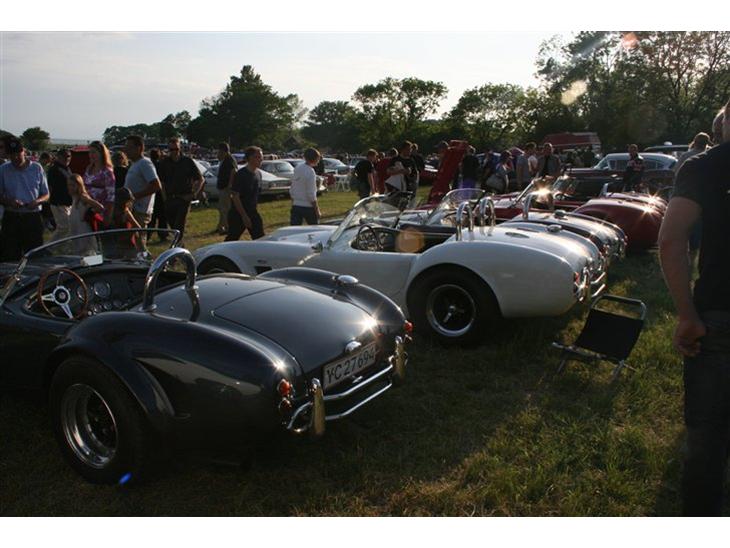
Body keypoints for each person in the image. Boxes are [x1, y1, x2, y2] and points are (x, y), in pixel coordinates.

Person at [658, 100, 730, 516]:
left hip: (719, 313)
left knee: (707, 438)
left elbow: (671, 240)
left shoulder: (704, 167)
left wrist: (686, 315)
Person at [0, 137, 50, 260]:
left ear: (24, 151)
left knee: (35, 255)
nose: (16, 158)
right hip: (11, 217)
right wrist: (9, 202)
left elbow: (46, 194)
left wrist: (37, 201)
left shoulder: (37, 168)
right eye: (12, 155)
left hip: (32, 217)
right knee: (10, 255)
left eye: (18, 154)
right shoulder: (3, 169)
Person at [157, 137, 203, 246]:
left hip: (183, 199)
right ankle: (181, 247)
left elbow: (200, 179)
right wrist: (164, 198)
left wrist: (193, 194)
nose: (174, 152)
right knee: (174, 228)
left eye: (176, 149)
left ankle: (176, 250)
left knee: (179, 226)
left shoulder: (187, 161)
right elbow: (161, 182)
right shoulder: (165, 163)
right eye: (171, 150)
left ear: (180, 148)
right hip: (170, 199)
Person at [123, 135, 162, 242]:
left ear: (139, 148)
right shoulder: (134, 164)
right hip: (132, 210)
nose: (126, 150)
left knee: (139, 242)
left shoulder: (145, 163)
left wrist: (133, 197)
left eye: (129, 147)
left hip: (140, 211)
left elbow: (156, 185)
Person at [226, 146, 265, 241]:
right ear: (250, 158)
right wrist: (244, 216)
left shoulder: (258, 174)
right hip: (238, 214)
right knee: (232, 239)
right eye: (258, 157)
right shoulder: (241, 174)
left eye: (261, 157)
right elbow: (235, 196)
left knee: (260, 238)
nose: (261, 159)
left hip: (253, 212)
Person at [67, 173, 104, 254]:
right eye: (69, 185)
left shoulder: (83, 197)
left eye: (73, 185)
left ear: (79, 185)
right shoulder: (74, 197)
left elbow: (100, 207)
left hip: (84, 230)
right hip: (77, 230)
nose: (70, 187)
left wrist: (89, 213)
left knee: (88, 254)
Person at [83, 141, 115, 227]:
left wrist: (108, 215)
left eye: (94, 152)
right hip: (86, 208)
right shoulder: (89, 168)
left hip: (100, 211)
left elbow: (111, 196)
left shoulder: (107, 172)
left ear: (101, 153)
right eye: (90, 152)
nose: (91, 155)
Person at [47, 148, 73, 242]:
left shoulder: (67, 169)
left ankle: (60, 247)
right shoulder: (54, 169)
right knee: (64, 227)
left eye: (68, 156)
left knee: (67, 228)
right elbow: (50, 187)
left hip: (67, 203)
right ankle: (49, 247)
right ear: (58, 157)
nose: (67, 158)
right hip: (58, 203)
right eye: (64, 156)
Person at [290, 147, 321, 225]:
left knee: (294, 229)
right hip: (308, 206)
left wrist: (293, 200)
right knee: (314, 229)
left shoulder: (298, 168)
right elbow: (311, 193)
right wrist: (317, 210)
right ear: (315, 159)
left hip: (296, 205)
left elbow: (293, 187)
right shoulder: (310, 171)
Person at [215, 142, 237, 235]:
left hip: (226, 188)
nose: (218, 153)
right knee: (221, 208)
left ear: (223, 151)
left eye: (219, 151)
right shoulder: (224, 160)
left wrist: (230, 185)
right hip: (222, 187)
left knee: (225, 209)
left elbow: (233, 171)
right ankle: (220, 226)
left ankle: (228, 227)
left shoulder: (229, 160)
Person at [148, 148, 169, 241]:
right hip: (161, 194)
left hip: (152, 193)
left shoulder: (149, 166)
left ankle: (148, 234)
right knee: (162, 216)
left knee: (152, 217)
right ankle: (163, 234)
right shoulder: (161, 166)